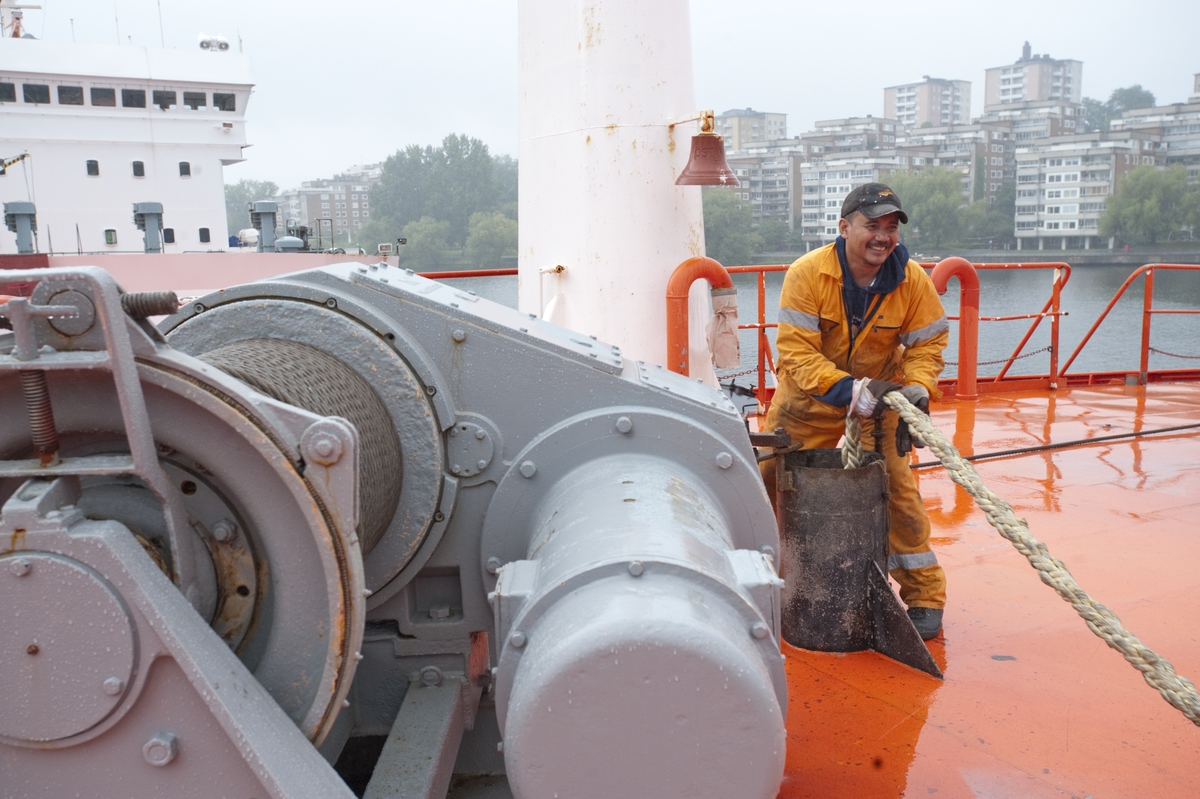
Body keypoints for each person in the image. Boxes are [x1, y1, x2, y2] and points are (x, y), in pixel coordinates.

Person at [761, 183, 949, 640]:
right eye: (872, 225)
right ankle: (756, 578)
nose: (883, 237)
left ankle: (924, 594)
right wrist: (847, 390)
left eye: (891, 227)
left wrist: (917, 392)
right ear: (845, 228)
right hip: (805, 407)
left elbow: (928, 343)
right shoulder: (807, 274)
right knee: (765, 484)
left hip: (878, 409)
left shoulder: (912, 281)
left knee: (897, 491)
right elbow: (796, 352)